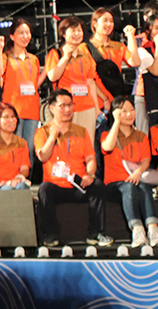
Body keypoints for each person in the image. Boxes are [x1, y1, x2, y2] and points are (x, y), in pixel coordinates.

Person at [35, 89, 113, 248]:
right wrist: (52, 137)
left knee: (98, 186)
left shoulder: (81, 131)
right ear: (52, 108)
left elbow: (90, 158)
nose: (67, 109)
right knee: (44, 189)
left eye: (70, 105)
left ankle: (97, 233)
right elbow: (43, 156)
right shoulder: (42, 132)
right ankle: (50, 235)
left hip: (78, 183)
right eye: (62, 106)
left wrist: (90, 174)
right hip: (56, 185)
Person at [100, 96, 158, 247]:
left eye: (132, 110)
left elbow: (146, 160)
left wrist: (138, 172)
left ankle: (153, 228)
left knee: (145, 187)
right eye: (124, 111)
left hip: (137, 179)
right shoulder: (106, 134)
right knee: (129, 187)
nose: (129, 114)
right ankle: (137, 230)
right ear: (115, 113)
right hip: (115, 183)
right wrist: (116, 122)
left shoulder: (141, 136)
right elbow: (107, 147)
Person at [45, 16, 107, 146]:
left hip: (87, 107)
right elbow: (52, 76)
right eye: (73, 30)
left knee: (87, 145)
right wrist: (65, 57)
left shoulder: (86, 54)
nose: (77, 34)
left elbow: (91, 82)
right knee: (67, 145)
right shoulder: (56, 53)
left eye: (79, 30)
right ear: (63, 34)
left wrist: (96, 108)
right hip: (66, 108)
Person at [0, 18, 44, 165]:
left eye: (27, 33)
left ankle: (26, 176)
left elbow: (34, 84)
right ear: (12, 36)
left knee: (29, 149)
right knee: (14, 148)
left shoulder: (34, 59)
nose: (25, 36)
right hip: (13, 110)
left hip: (32, 109)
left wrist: (47, 71)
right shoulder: (6, 57)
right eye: (21, 33)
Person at [83, 7, 140, 108]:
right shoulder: (84, 48)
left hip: (116, 99)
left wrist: (130, 36)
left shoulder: (119, 46)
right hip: (96, 100)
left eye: (111, 21)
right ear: (95, 23)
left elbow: (135, 62)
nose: (109, 24)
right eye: (105, 21)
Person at [135, 12, 158, 133]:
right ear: (148, 30)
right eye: (156, 28)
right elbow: (156, 71)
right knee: (148, 132)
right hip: (147, 95)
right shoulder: (143, 48)